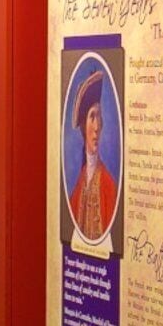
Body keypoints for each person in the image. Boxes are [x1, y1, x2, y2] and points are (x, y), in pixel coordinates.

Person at [66, 75, 120, 244]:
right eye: (92, 117)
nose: (97, 127)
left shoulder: (109, 185)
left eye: (99, 117)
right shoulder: (77, 189)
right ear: (83, 125)